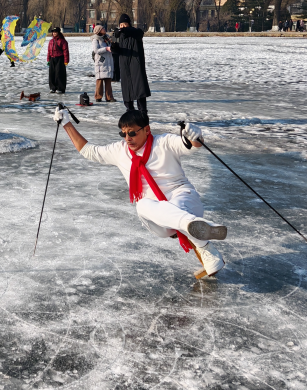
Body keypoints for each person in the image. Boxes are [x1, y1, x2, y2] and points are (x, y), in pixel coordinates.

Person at [53, 106, 227, 277]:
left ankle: (200, 236)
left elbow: (190, 144)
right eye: (123, 133)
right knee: (142, 204)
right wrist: (66, 123)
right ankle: (200, 233)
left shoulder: (164, 142)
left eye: (132, 132)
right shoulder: (120, 151)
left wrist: (195, 135)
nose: (127, 138)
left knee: (177, 207)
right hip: (159, 219)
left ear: (147, 130)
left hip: (183, 199)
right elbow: (89, 151)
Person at [111, 14, 150, 113]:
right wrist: (114, 41)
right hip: (124, 66)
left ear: (129, 24)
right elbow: (114, 50)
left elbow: (139, 33)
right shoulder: (117, 35)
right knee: (127, 90)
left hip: (136, 65)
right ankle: (130, 111)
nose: (122, 26)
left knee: (139, 89)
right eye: (121, 25)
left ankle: (143, 112)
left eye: (125, 24)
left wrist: (124, 30)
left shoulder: (135, 33)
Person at [91, 24, 115, 102]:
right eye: (102, 29)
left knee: (108, 79)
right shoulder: (96, 39)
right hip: (101, 61)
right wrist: (106, 49)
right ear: (98, 31)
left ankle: (109, 97)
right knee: (100, 79)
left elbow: (112, 45)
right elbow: (96, 50)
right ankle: (98, 96)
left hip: (109, 61)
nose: (104, 29)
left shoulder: (107, 38)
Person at [46, 27, 69, 94]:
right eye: (53, 32)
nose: (54, 33)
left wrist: (66, 60)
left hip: (60, 58)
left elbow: (65, 51)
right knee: (52, 74)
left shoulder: (62, 41)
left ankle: (60, 88)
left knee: (59, 74)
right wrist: (48, 60)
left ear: (58, 33)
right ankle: (52, 87)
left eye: (55, 32)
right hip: (52, 59)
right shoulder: (51, 41)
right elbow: (49, 51)